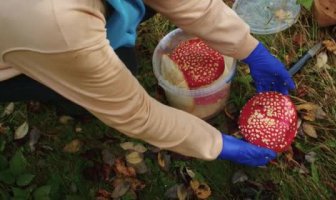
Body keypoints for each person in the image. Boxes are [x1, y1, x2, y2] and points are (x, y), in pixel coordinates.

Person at [0, 0, 295, 167]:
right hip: (19, 50)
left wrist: (249, 48)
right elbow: (137, 114)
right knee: (108, 75)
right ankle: (71, 99)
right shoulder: (57, 25)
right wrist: (214, 143)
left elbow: (187, 3)